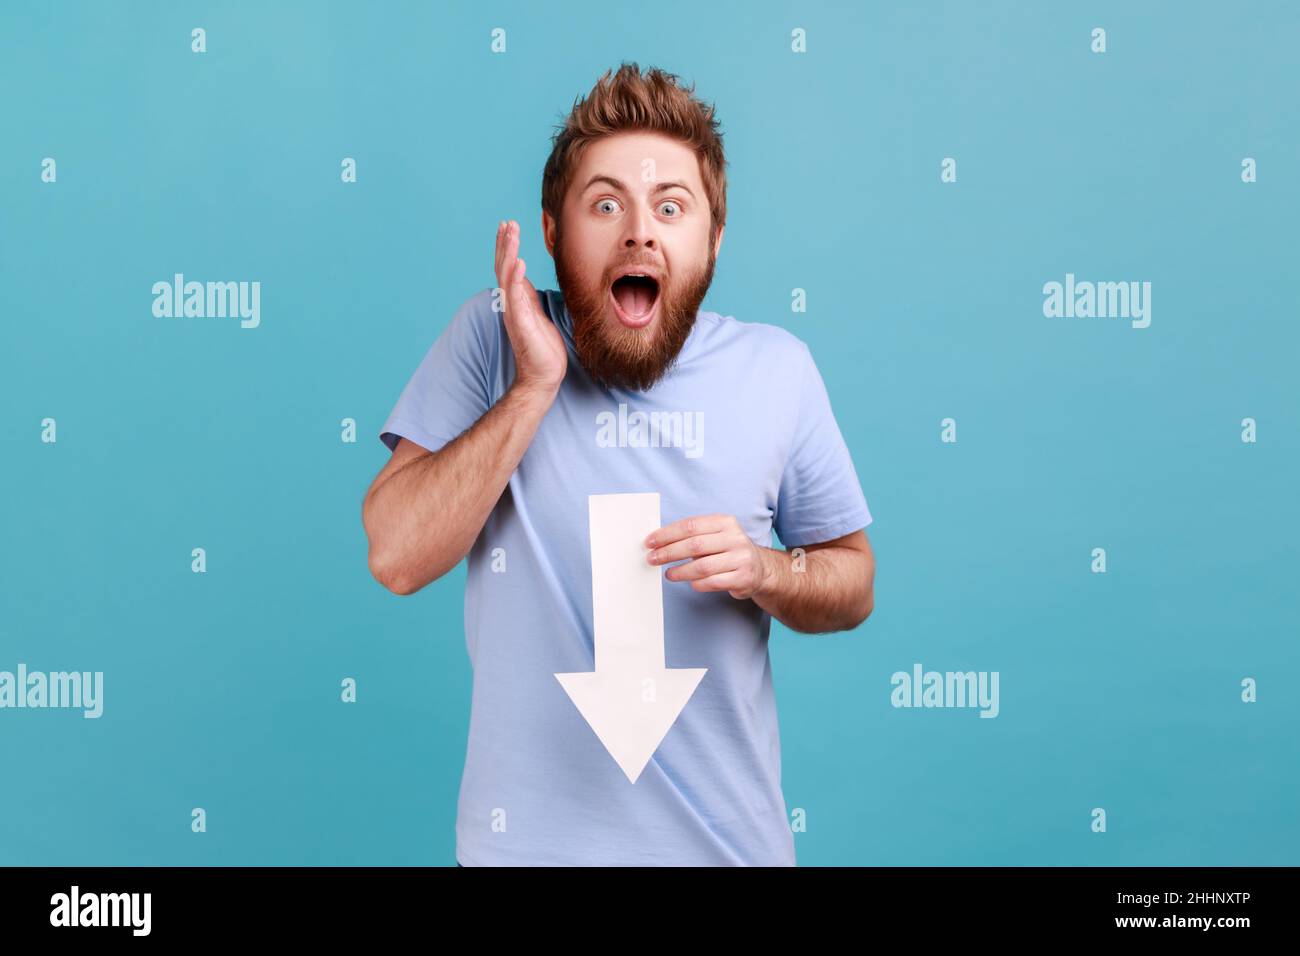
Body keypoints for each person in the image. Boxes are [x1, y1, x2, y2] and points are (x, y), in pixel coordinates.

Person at [363, 63, 875, 866]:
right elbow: (394, 555)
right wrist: (533, 388)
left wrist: (769, 571)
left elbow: (852, 582)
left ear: (714, 237)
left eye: (671, 207)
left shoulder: (779, 370)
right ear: (553, 232)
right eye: (606, 205)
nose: (639, 232)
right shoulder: (493, 336)